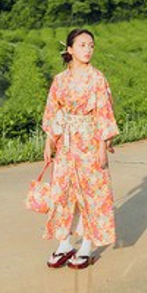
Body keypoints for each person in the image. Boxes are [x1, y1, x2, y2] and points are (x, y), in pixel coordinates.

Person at [41, 28, 119, 270]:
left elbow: (104, 113)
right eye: (83, 45)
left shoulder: (97, 78)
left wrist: (103, 147)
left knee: (91, 194)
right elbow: (53, 111)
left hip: (89, 141)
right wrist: (48, 142)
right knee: (62, 193)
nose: (88, 50)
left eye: (91, 45)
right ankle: (64, 243)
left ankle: (86, 245)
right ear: (70, 49)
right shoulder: (59, 80)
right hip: (65, 143)